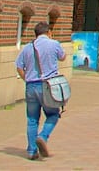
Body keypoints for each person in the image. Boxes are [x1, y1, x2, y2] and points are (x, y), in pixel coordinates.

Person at [15, 22, 65, 161]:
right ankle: (43, 136)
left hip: (31, 86)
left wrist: (27, 79)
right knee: (53, 114)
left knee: (32, 120)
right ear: (48, 32)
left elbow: (19, 66)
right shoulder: (54, 44)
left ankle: (32, 151)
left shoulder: (27, 48)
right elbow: (62, 57)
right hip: (48, 86)